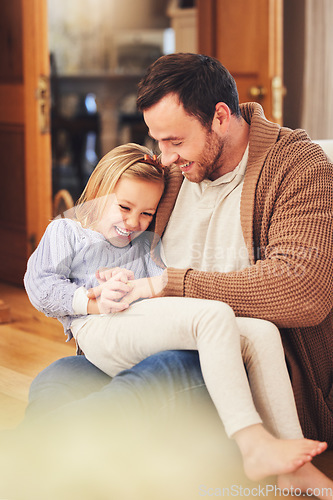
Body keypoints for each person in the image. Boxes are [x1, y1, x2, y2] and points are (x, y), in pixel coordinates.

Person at [24, 54, 332, 496]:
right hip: (154, 332)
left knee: (160, 376)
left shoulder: (299, 168)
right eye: (157, 141)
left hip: (241, 366)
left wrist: (169, 285)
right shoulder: (169, 175)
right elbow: (103, 240)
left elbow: (305, 287)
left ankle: (30, 465)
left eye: (174, 141)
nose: (164, 157)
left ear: (219, 118)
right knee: (57, 381)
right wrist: (92, 296)